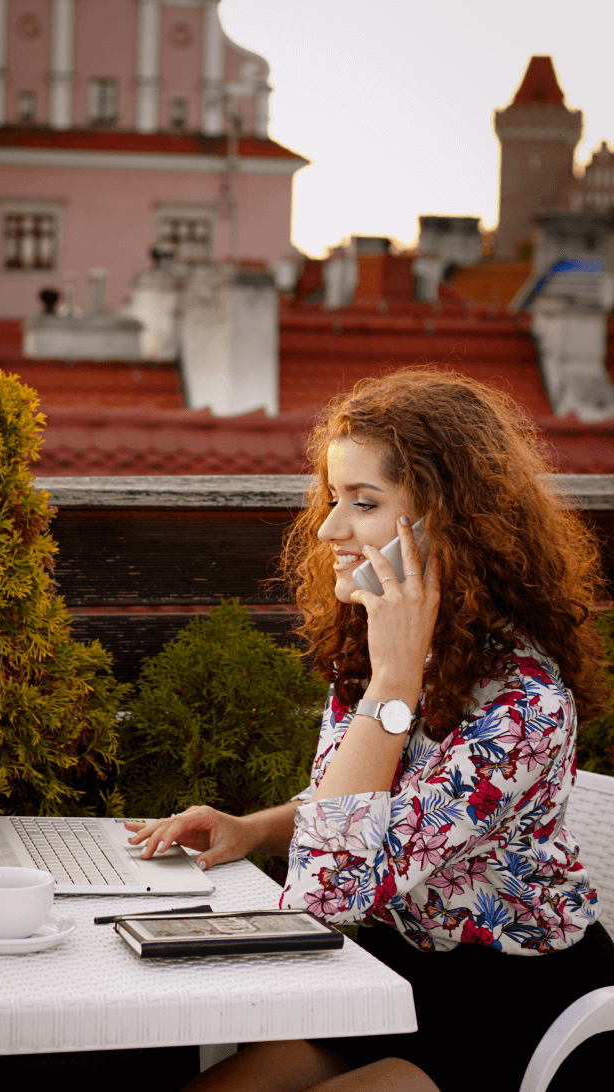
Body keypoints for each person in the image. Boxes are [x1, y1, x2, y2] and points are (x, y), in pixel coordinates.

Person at [125, 368, 614, 1092]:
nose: (329, 529)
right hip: (399, 973)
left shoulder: (524, 708)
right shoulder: (380, 651)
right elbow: (359, 817)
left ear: (448, 521)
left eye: (364, 502)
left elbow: (328, 894)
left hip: (517, 1000)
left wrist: (391, 687)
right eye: (332, 499)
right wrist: (254, 829)